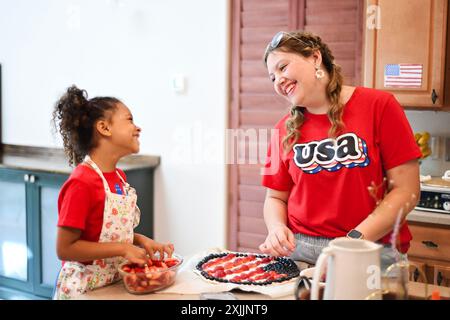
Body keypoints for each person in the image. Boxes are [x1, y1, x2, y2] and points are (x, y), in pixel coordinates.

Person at [259, 30, 421, 272]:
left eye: (283, 67)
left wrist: (353, 241)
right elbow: (275, 198)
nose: (278, 81)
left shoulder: (380, 106)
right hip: (300, 252)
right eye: (272, 78)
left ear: (315, 58)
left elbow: (406, 189)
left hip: (370, 249)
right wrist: (276, 229)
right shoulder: (283, 129)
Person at [52, 85, 174, 299]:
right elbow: (65, 248)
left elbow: (99, 233)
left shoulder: (119, 178)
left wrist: (139, 240)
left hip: (113, 285)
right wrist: (123, 249)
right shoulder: (82, 182)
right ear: (104, 128)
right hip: (84, 290)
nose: (138, 128)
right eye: (129, 120)